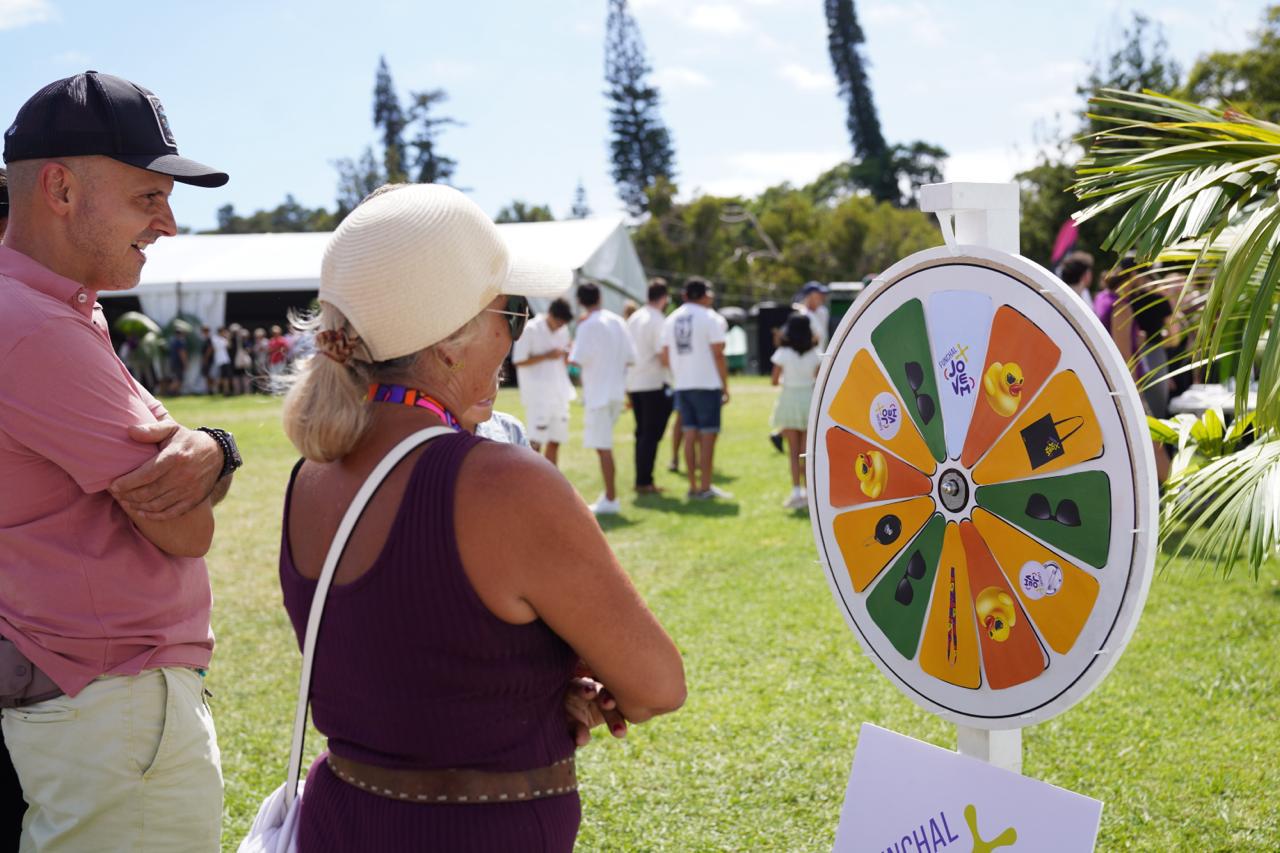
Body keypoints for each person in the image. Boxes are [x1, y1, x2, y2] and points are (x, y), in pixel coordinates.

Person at [278, 183, 684, 851]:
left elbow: (415, 665)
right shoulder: (504, 481)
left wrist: (530, 684)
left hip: (341, 820)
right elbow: (657, 684)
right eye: (513, 315)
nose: (512, 339)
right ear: (449, 342)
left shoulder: (310, 475)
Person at [0, 70, 240, 851]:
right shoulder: (35, 327)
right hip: (110, 702)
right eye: (149, 196)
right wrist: (202, 453)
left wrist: (214, 448)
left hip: (81, 692)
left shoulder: (49, 309)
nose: (169, 223)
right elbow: (186, 529)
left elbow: (187, 473)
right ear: (61, 188)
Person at [568, 282, 636, 515]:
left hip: (598, 394)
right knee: (603, 445)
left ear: (580, 301)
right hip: (616, 391)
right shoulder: (618, 321)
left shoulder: (587, 325)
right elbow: (630, 357)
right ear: (600, 297)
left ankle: (611, 498)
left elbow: (575, 360)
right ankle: (608, 495)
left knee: (603, 447)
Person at [662, 277, 731, 500]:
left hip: (683, 383)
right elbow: (718, 353)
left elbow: (664, 354)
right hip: (707, 383)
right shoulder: (709, 317)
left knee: (689, 434)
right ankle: (705, 485)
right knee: (708, 436)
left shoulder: (670, 319)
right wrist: (725, 385)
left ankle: (692, 485)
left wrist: (679, 372)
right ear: (704, 295)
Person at [511, 298, 575, 465]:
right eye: (558, 322)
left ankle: (552, 481)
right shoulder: (530, 328)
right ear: (551, 315)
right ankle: (534, 482)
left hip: (560, 392)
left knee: (555, 440)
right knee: (535, 441)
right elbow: (518, 360)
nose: (560, 326)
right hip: (537, 395)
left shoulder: (563, 330)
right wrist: (547, 356)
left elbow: (564, 360)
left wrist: (567, 354)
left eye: (563, 324)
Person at [626, 279, 674, 495]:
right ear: (664, 298)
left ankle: (642, 478)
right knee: (651, 435)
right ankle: (645, 480)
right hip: (653, 383)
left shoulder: (635, 317)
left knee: (642, 434)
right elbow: (662, 354)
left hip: (635, 382)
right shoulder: (657, 319)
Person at [771, 315, 821, 509]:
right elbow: (819, 378)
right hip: (809, 400)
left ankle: (796, 492)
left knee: (793, 451)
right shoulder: (815, 353)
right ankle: (810, 493)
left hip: (789, 399)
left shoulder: (783, 353)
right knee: (807, 452)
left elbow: (774, 380)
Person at [459, 375, 531, 448]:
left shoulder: (511, 429)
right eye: (470, 380)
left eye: (493, 377)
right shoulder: (447, 438)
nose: (485, 389)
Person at [793, 281, 830, 352]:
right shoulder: (802, 314)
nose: (822, 297)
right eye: (818, 294)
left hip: (820, 357)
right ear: (809, 296)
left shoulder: (823, 311)